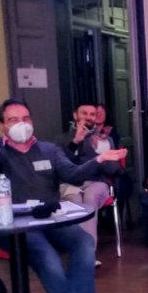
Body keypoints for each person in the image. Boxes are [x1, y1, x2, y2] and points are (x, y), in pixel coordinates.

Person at [0, 98, 126, 293]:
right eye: (13, 120)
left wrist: (100, 159)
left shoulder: (48, 149)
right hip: (11, 225)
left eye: (25, 118)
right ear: (3, 125)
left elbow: (73, 174)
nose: (21, 124)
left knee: (83, 241)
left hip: (49, 220)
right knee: (46, 254)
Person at [55, 103, 116, 251]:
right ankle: (80, 250)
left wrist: (101, 152)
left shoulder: (105, 140)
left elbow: (112, 170)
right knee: (75, 201)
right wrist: (75, 142)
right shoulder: (61, 139)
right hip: (69, 184)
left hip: (96, 183)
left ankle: (88, 252)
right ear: (75, 115)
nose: (88, 117)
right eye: (84, 113)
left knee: (90, 197)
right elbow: (62, 167)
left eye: (92, 114)